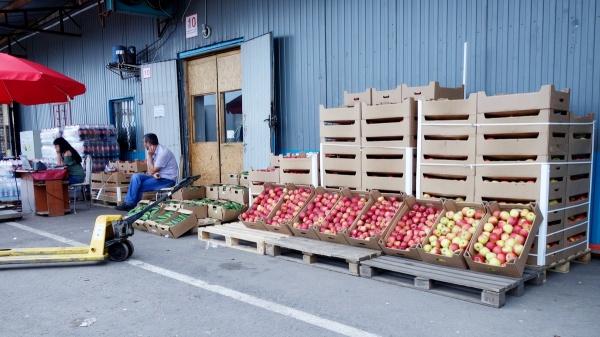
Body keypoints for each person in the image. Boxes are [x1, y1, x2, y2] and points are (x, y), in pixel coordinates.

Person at [116, 133, 178, 211]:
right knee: (136, 176)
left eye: (144, 142)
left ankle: (130, 205)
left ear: (148, 143)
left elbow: (151, 170)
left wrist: (149, 156)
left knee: (139, 185)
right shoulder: (153, 151)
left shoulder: (162, 153)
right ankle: (129, 203)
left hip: (167, 180)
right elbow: (150, 170)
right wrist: (153, 172)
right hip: (158, 176)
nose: (143, 144)